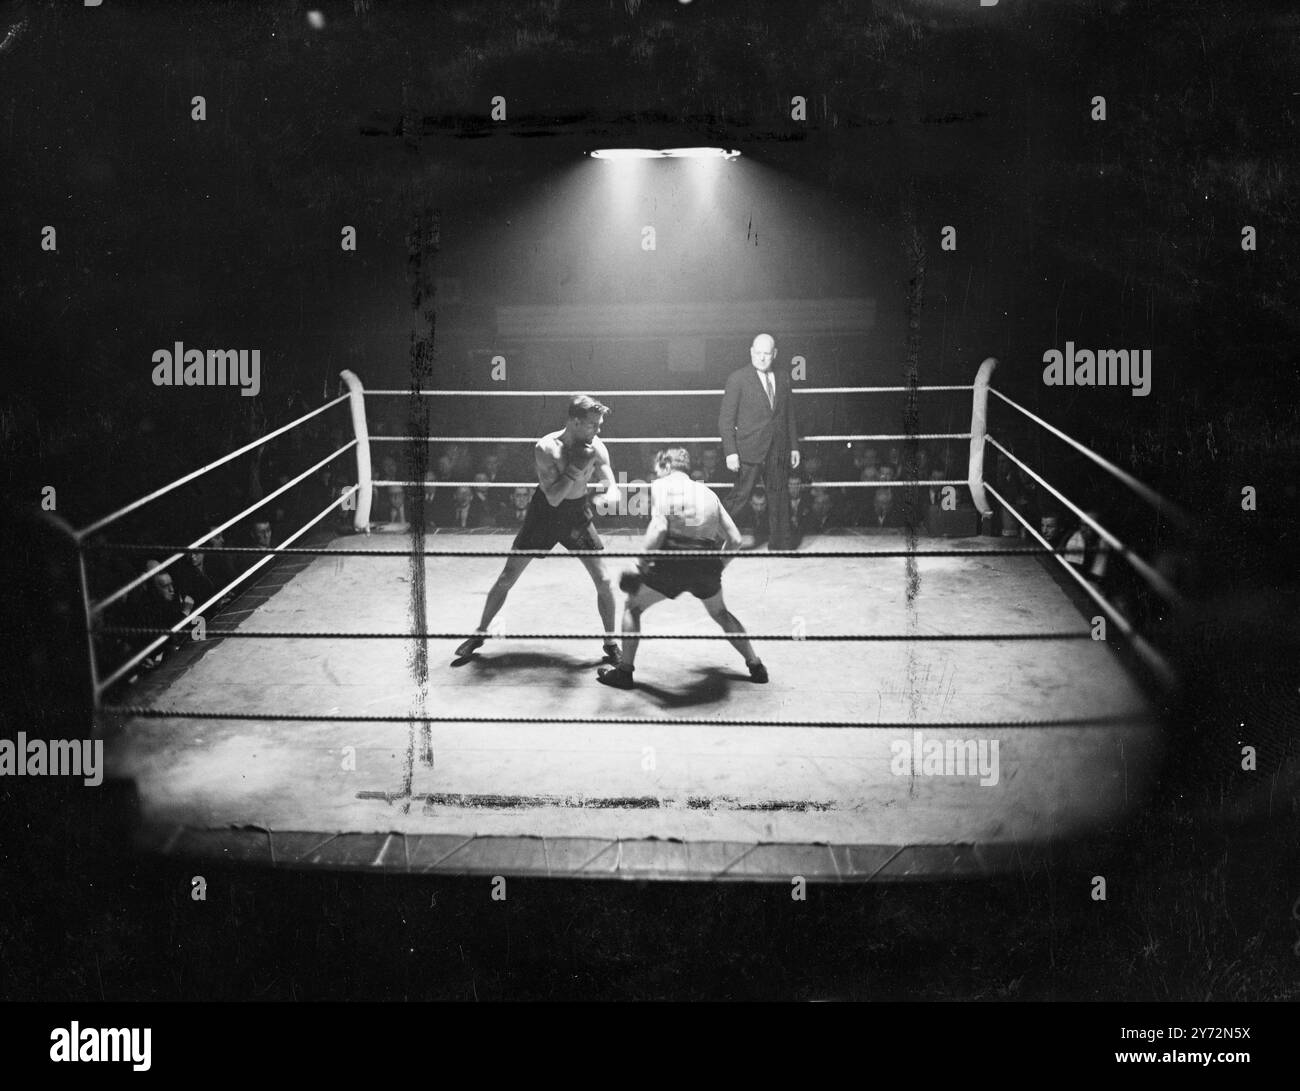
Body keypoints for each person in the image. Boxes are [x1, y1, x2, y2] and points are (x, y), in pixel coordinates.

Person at [454, 395, 622, 664]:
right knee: (508, 576)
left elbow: (609, 477)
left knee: (603, 580)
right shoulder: (546, 448)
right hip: (544, 513)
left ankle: (611, 642)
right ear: (575, 422)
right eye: (593, 425)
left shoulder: (596, 446)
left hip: (577, 514)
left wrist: (611, 492)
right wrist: (576, 470)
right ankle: (480, 632)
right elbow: (554, 497)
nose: (598, 430)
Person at [597, 447, 766, 689]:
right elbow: (736, 540)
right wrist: (716, 566)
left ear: (666, 467)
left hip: (673, 560)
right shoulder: (709, 494)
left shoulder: (661, 486)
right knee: (721, 614)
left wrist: (639, 564)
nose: (654, 476)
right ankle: (756, 665)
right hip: (706, 562)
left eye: (656, 471)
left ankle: (624, 672)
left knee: (632, 607)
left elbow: (659, 527)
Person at [718, 333, 801, 550]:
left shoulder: (783, 377)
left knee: (779, 496)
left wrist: (794, 446)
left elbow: (788, 414)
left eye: (767, 354)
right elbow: (726, 419)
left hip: (778, 448)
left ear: (774, 354)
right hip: (748, 448)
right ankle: (712, 540)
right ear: (751, 352)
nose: (762, 358)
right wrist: (730, 452)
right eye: (758, 353)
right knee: (740, 496)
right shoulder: (737, 378)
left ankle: (781, 544)